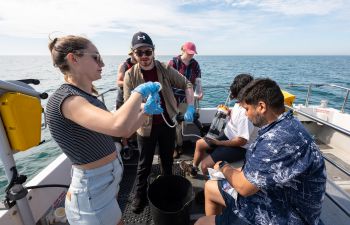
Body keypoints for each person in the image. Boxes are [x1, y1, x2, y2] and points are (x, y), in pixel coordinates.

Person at [46, 35, 162, 225]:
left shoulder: (85, 96)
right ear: (73, 59)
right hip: (92, 195)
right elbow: (118, 124)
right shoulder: (67, 99)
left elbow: (123, 132)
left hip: (104, 187)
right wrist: (138, 92)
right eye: (95, 57)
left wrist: (145, 112)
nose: (102, 63)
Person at [195, 78, 327, 225]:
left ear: (261, 107)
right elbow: (263, 169)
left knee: (201, 222)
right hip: (276, 194)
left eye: (247, 109)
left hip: (283, 215)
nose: (246, 114)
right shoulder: (288, 123)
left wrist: (223, 166)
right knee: (210, 187)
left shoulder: (276, 139)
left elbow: (244, 188)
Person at [123, 31, 195, 213]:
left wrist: (191, 107)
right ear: (133, 54)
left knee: (167, 161)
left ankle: (168, 188)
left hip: (167, 124)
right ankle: (140, 194)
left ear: (153, 51)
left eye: (148, 51)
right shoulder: (130, 75)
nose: (145, 56)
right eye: (140, 53)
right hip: (145, 127)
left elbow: (187, 84)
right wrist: (144, 105)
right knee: (144, 164)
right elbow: (127, 104)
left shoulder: (164, 68)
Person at [180, 74, 258, 177]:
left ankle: (212, 187)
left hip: (240, 147)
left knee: (204, 166)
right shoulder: (240, 103)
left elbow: (242, 141)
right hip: (228, 136)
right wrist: (229, 112)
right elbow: (238, 117)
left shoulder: (246, 114)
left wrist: (219, 143)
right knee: (199, 143)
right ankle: (193, 169)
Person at [168, 41, 202, 158]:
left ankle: (180, 144)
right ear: (183, 50)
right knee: (173, 123)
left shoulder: (195, 64)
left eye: (193, 53)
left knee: (182, 123)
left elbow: (198, 80)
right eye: (189, 53)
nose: (191, 55)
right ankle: (174, 147)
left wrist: (199, 91)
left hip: (187, 99)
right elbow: (166, 81)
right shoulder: (173, 63)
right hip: (173, 98)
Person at [116, 50, 137, 160]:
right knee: (123, 123)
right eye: (138, 52)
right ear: (132, 53)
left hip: (136, 99)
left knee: (135, 121)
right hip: (123, 99)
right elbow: (119, 81)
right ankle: (126, 146)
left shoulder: (141, 65)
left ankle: (133, 142)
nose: (142, 55)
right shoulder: (124, 65)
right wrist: (132, 84)